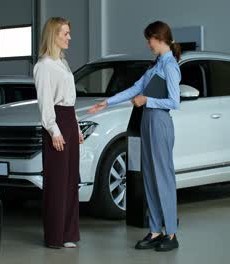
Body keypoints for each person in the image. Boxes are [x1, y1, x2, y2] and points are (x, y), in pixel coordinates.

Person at [88, 20, 181, 252]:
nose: (148, 43)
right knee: (149, 176)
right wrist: (106, 103)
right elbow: (134, 89)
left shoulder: (170, 66)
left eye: (149, 39)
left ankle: (171, 233)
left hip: (160, 121)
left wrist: (147, 100)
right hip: (146, 122)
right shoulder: (156, 65)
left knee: (163, 178)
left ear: (159, 38)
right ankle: (155, 230)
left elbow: (174, 101)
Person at [33, 17, 84, 249]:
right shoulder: (44, 66)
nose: (69, 37)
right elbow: (45, 103)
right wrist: (54, 130)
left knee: (71, 179)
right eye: (65, 33)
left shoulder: (62, 63)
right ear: (54, 35)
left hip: (68, 120)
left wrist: (76, 127)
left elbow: (69, 101)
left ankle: (68, 233)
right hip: (56, 123)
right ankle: (54, 236)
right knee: (57, 182)